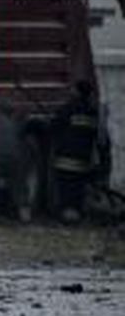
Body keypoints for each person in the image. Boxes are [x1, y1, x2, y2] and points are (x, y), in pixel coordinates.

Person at [51, 79, 99, 224]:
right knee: (77, 188)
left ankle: (66, 215)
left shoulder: (69, 108)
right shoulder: (92, 112)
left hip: (65, 158)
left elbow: (55, 126)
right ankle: (76, 214)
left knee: (65, 187)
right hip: (83, 160)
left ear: (77, 91)